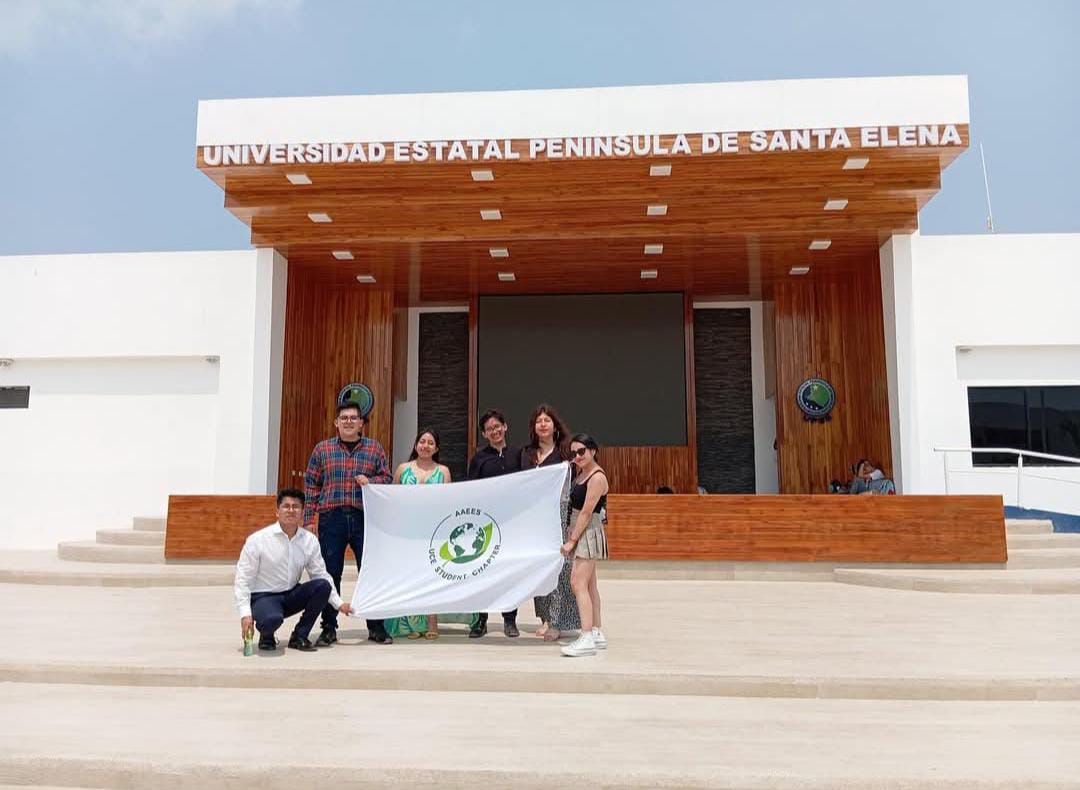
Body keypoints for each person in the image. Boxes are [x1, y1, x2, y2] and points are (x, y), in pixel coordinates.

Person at [303, 401, 393, 646]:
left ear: (361, 423)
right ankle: (329, 627)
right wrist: (309, 519)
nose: (349, 422)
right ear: (336, 423)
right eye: (344, 418)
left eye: (354, 418)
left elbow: (387, 478)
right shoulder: (323, 450)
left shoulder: (374, 449)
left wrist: (371, 480)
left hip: (365, 519)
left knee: (370, 571)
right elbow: (311, 485)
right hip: (332, 519)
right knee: (331, 574)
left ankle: (376, 626)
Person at [234, 488, 353, 652]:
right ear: (277, 511)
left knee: (322, 586)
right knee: (271, 620)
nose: (291, 510)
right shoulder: (258, 540)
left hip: (291, 594)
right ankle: (267, 635)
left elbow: (320, 573)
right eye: (286, 506)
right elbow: (243, 579)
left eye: (296, 507)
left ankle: (299, 636)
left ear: (302, 512)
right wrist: (245, 614)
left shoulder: (309, 540)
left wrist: (339, 604)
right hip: (264, 597)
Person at [385, 428, 458, 640]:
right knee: (409, 575)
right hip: (407, 532)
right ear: (416, 445)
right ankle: (410, 624)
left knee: (432, 574)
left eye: (430, 443)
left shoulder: (443, 471)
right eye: (422, 441)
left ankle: (432, 620)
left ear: (436, 448)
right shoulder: (402, 469)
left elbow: (449, 501)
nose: (425, 445)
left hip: (433, 532)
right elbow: (391, 498)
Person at [519, 403, 581, 641]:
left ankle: (558, 621)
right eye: (538, 421)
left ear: (555, 425)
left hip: (560, 515)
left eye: (547, 420)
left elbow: (577, 483)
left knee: (561, 569)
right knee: (541, 569)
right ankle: (545, 618)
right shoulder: (527, 454)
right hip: (534, 519)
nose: (542, 424)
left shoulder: (566, 452)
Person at [466, 409, 521, 638]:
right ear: (484, 434)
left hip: (513, 524)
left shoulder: (519, 455)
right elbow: (470, 490)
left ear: (505, 427)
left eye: (498, 426)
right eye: (490, 429)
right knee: (482, 571)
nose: (495, 431)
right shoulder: (479, 459)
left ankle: (510, 619)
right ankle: (480, 619)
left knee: (509, 572)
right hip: (485, 525)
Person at [560, 434, 610, 657]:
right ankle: (596, 631)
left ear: (593, 451)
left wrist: (572, 540)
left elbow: (588, 511)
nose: (577, 456)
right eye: (574, 453)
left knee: (577, 583)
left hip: (587, 532)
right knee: (589, 585)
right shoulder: (581, 474)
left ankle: (587, 635)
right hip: (581, 529)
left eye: (581, 451)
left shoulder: (597, 477)